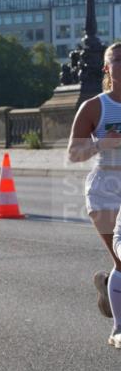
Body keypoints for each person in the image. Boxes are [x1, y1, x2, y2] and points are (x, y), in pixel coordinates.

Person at [70, 41, 121, 348]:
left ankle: (107, 288)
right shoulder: (95, 107)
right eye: (117, 60)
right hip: (106, 189)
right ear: (107, 68)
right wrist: (103, 144)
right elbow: (74, 152)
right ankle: (118, 329)